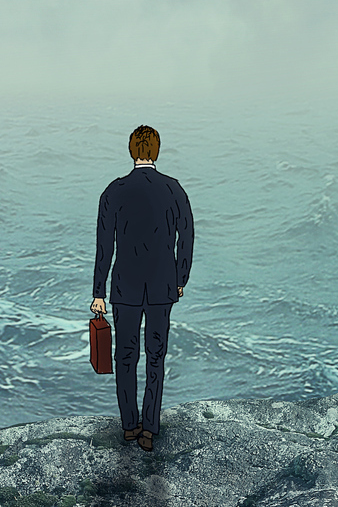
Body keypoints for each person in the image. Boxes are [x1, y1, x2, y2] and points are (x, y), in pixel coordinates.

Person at [91, 125, 194, 453]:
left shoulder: (113, 191)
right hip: (163, 285)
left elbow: (104, 245)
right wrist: (181, 279)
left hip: (125, 286)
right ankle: (150, 429)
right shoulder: (173, 189)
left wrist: (98, 292)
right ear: (157, 151)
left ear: (132, 150)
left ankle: (129, 426)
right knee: (156, 357)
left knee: (125, 356)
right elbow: (187, 237)